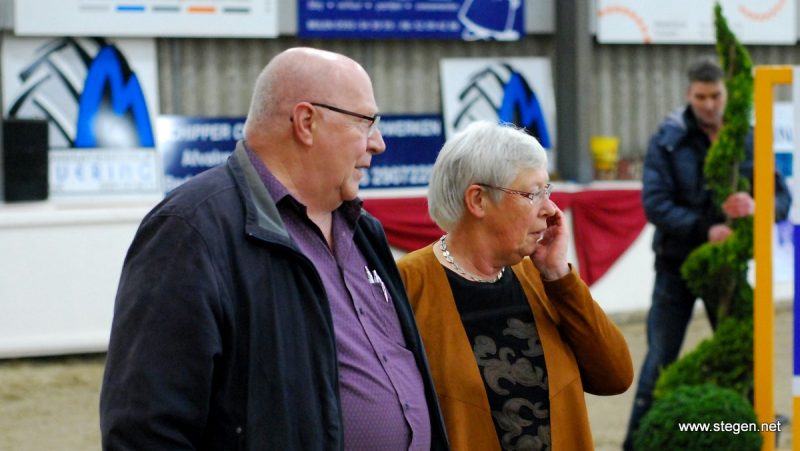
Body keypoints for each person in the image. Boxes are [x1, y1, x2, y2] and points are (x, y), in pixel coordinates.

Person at [100, 47, 448, 450]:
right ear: (306, 122)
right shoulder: (190, 230)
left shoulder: (362, 231)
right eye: (366, 123)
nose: (379, 143)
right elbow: (146, 431)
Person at [397, 120, 634, 450]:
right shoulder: (406, 285)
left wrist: (559, 276)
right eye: (533, 193)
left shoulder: (542, 277)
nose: (550, 209)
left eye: (547, 191)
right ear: (478, 200)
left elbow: (615, 376)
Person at [622, 57, 792, 449]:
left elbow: (781, 197)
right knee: (660, 360)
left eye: (716, 95)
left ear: (725, 93)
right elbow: (655, 204)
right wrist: (704, 228)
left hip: (729, 270)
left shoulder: (746, 137)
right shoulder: (668, 138)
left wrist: (756, 205)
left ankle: (752, 438)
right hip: (676, 266)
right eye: (701, 97)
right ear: (688, 95)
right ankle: (634, 444)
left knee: (742, 355)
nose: (710, 105)